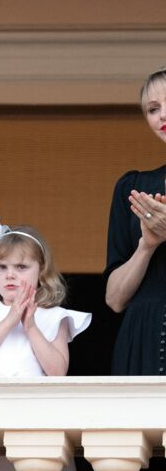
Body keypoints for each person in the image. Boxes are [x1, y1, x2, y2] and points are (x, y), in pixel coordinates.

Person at [0, 212, 91, 377]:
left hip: (32, 401)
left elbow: (58, 372)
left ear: (41, 270)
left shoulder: (54, 316)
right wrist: (10, 320)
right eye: (2, 267)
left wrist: (31, 327)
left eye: (21, 267)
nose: (10, 275)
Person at [105, 66, 166, 375]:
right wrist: (147, 245)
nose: (162, 116)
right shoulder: (132, 188)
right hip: (141, 340)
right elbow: (114, 299)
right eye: (153, 109)